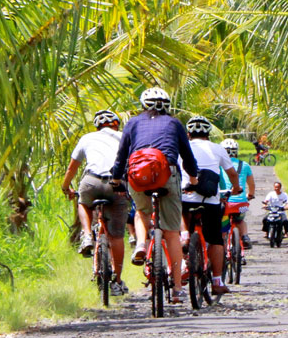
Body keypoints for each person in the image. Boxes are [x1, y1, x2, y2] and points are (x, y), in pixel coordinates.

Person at [110, 87, 198, 303]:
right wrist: (194, 178)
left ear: (143, 105)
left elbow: (122, 156)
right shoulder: (174, 123)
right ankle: (177, 289)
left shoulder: (132, 123)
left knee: (141, 211)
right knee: (171, 233)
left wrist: (115, 178)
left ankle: (141, 244)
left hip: (138, 174)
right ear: (166, 105)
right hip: (166, 172)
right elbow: (187, 156)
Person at [61, 110, 130, 296]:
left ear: (97, 126)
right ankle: (116, 281)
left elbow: (72, 167)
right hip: (116, 183)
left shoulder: (87, 137)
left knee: (83, 202)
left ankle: (86, 235)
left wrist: (65, 187)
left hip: (91, 181)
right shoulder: (124, 136)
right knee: (116, 236)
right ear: (116, 124)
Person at [180, 116, 242, 295]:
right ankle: (217, 281)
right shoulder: (218, 148)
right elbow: (231, 174)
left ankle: (184, 238)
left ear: (189, 133)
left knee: (179, 216)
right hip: (210, 200)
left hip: (186, 197)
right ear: (208, 133)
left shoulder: (182, 148)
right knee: (215, 239)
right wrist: (236, 188)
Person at [219, 138, 256, 252]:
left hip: (226, 202)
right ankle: (244, 236)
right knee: (240, 220)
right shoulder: (244, 165)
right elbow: (251, 184)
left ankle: (224, 246)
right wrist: (250, 195)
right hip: (241, 202)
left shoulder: (219, 165)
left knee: (223, 225)